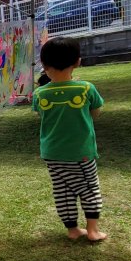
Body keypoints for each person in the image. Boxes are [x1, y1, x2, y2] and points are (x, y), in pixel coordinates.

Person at [31, 37, 107, 242]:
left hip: (52, 153)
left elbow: (42, 115)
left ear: (44, 64)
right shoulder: (86, 88)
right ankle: (93, 230)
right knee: (89, 188)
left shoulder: (39, 94)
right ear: (77, 62)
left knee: (62, 190)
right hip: (80, 152)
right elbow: (95, 112)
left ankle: (72, 229)